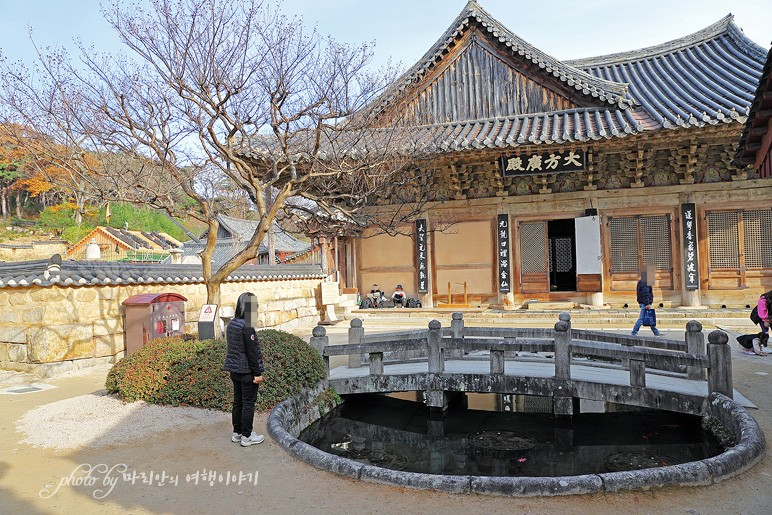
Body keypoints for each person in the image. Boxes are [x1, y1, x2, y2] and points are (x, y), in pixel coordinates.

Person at [222, 292, 265, 447]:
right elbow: (252, 353)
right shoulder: (247, 328)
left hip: (235, 371)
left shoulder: (232, 324)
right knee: (248, 404)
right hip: (247, 372)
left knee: (238, 402)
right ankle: (247, 437)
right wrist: (257, 373)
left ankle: (237, 433)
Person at [631, 265, 661, 336]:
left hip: (643, 302)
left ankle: (656, 332)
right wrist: (647, 303)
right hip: (645, 303)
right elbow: (646, 293)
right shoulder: (645, 282)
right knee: (642, 319)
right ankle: (634, 332)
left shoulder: (642, 281)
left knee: (649, 317)